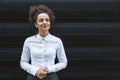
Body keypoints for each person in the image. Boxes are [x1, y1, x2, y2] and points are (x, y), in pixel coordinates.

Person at [20, 4, 67, 80]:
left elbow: (63, 62)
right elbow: (23, 62)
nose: (45, 22)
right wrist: (36, 71)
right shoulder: (28, 41)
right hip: (33, 76)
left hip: (51, 76)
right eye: (41, 20)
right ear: (36, 24)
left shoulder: (57, 41)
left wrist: (48, 69)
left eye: (47, 20)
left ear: (50, 23)